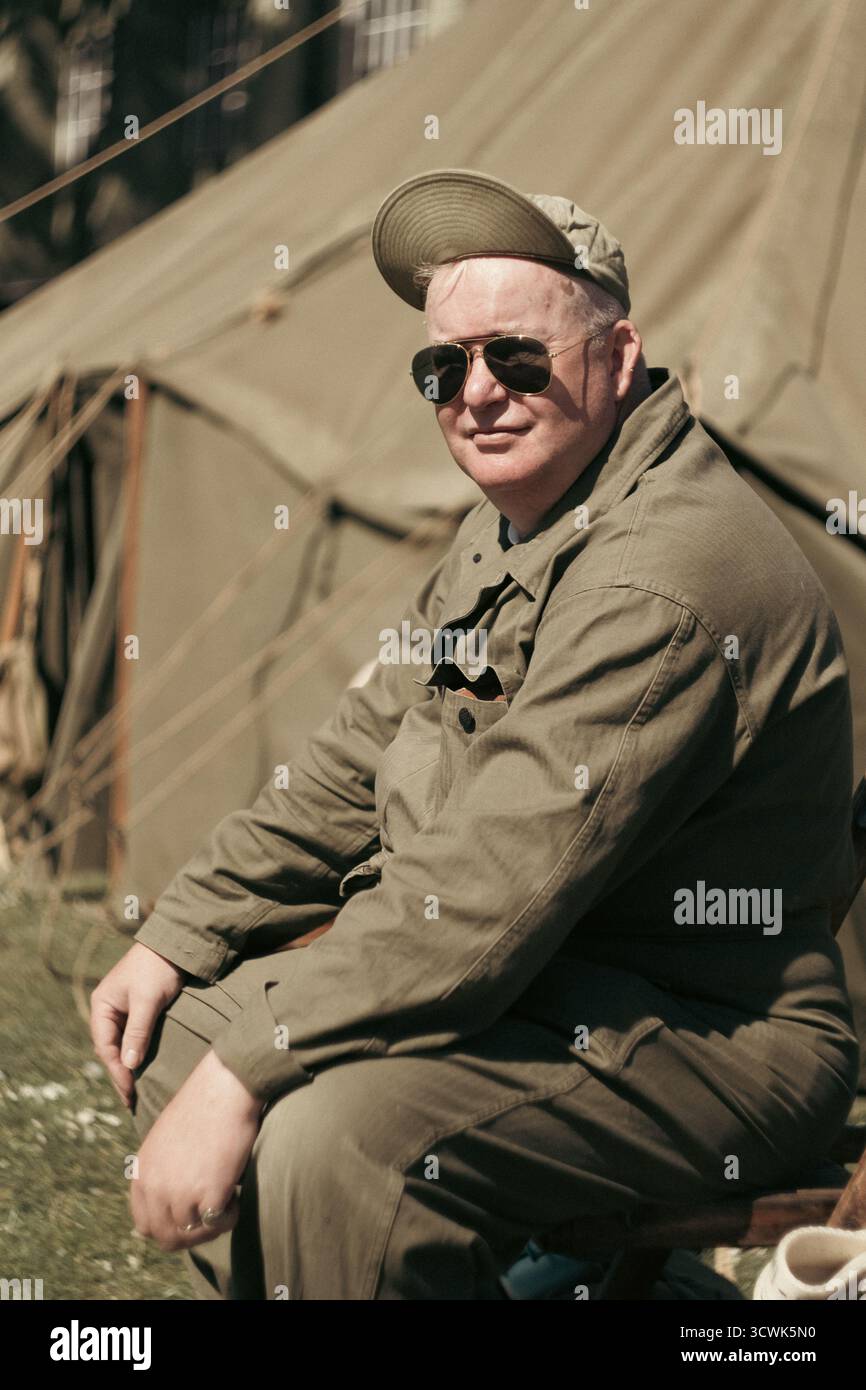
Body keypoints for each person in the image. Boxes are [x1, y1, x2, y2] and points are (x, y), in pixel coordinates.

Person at [90, 168, 860, 1300]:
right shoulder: (520, 524)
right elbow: (354, 763)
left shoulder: (665, 576)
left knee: (334, 1143)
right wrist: (178, 934)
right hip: (553, 979)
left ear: (618, 353)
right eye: (441, 367)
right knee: (173, 1033)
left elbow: (486, 885)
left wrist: (251, 1068)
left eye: (515, 355)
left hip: (713, 1033)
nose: (477, 392)